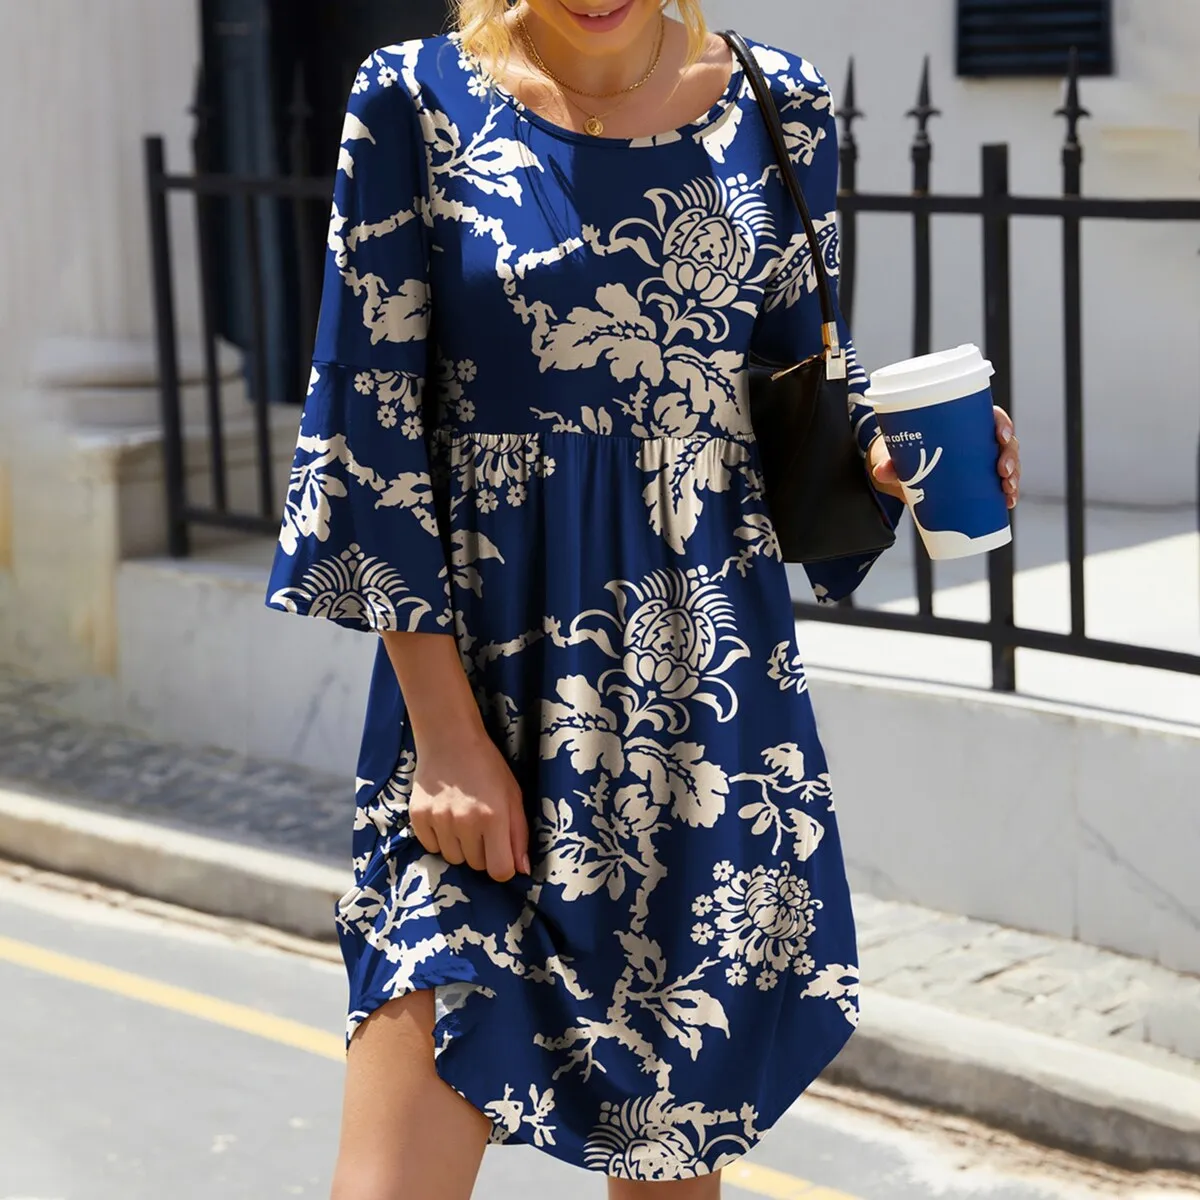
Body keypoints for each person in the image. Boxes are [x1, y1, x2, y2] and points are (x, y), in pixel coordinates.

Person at [264, 2, 1023, 1196]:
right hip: (483, 702)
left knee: (666, 1163)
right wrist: (446, 739)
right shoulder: (410, 99)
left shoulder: (781, 105)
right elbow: (371, 428)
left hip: (698, 706)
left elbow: (780, 400)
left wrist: (884, 456)